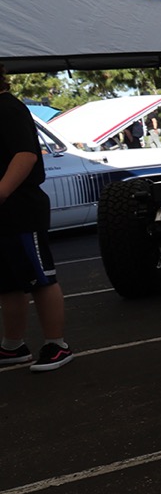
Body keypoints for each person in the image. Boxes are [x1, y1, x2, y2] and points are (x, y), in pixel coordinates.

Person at [0, 65, 72, 371]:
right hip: (6, 214)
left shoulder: (8, 109)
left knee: (41, 279)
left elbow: (25, 155)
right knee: (8, 284)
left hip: (21, 210)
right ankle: (13, 347)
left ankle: (57, 345)